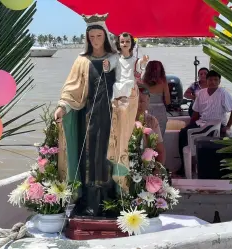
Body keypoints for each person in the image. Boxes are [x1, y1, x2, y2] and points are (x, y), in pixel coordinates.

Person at [54, 13, 120, 217]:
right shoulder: (82, 61)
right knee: (90, 156)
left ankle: (111, 201)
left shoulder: (115, 59)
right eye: (91, 37)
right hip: (88, 116)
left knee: (109, 156)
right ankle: (89, 201)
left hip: (111, 117)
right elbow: (71, 88)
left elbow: (126, 86)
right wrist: (63, 106)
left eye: (99, 36)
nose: (95, 40)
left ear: (105, 37)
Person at [177, 70, 232, 176]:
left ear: (219, 82)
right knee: (183, 133)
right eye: (210, 79)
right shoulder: (201, 93)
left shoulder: (223, 93)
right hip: (202, 122)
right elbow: (196, 112)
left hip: (218, 125)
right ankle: (184, 167)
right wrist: (189, 125)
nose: (213, 82)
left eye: (215, 80)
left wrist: (228, 126)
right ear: (207, 80)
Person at [103, 32, 149, 108]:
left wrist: (143, 61)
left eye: (127, 41)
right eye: (122, 42)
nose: (125, 43)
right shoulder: (116, 58)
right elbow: (108, 65)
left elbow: (139, 64)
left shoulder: (134, 60)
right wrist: (107, 64)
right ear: (119, 44)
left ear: (131, 43)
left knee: (130, 84)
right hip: (119, 86)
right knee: (115, 87)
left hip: (130, 87)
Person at [137, 85, 166, 165]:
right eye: (135, 101)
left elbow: (160, 151)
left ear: (148, 101)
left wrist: (157, 172)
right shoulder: (122, 121)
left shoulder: (152, 121)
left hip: (146, 167)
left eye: (142, 101)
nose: (138, 104)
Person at [142, 60, 171, 137]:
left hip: (147, 111)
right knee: (159, 139)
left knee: (147, 138)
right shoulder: (163, 82)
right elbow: (168, 101)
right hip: (160, 112)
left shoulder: (143, 82)